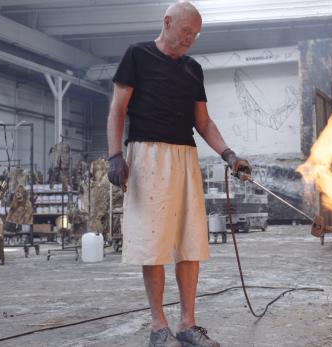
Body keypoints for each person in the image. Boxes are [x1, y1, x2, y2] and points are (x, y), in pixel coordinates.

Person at [106, 2, 251, 347]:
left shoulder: (193, 69)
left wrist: (229, 154)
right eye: (186, 32)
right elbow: (117, 109)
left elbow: (202, 121)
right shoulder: (136, 55)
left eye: (195, 35)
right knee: (153, 245)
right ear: (167, 22)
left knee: (190, 242)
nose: (191, 39)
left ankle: (187, 324)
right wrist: (114, 155)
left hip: (185, 158)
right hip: (147, 155)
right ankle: (159, 328)